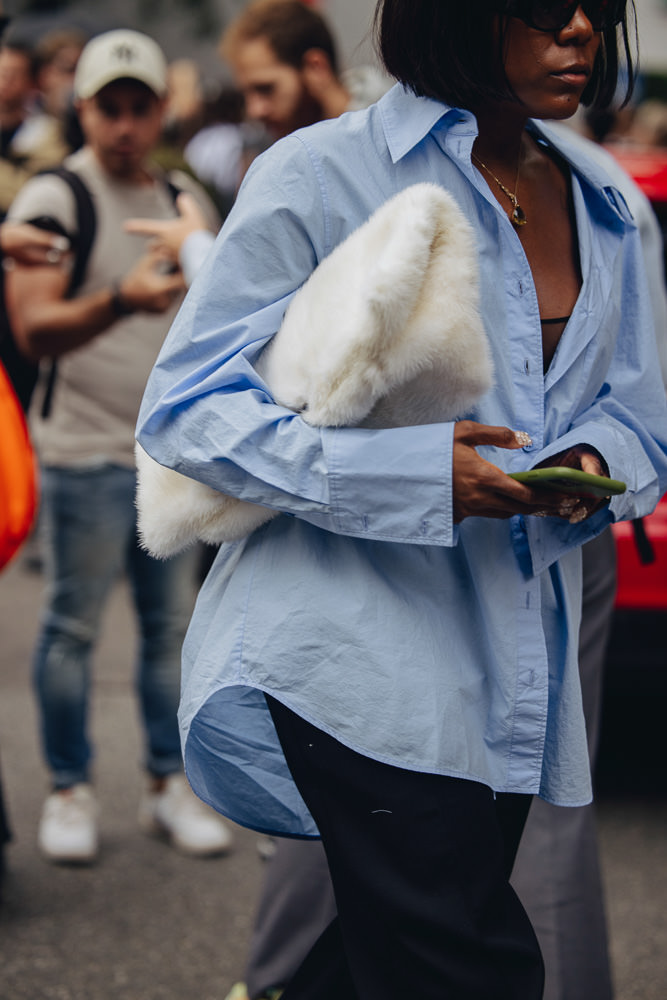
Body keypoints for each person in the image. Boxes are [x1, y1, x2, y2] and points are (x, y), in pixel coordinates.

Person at [137, 3, 667, 999]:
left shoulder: (607, 200)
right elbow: (183, 411)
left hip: (508, 659)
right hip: (347, 653)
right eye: (545, 8)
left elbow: (642, 415)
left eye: (595, 5)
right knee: (469, 963)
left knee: (379, 961)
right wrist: (417, 478)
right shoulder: (318, 171)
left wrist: (590, 462)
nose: (583, 30)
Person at [5, 28, 231, 865]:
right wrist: (121, 301)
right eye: (111, 107)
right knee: (71, 626)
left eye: (141, 107)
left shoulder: (182, 199)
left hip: (164, 457)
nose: (127, 124)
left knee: (170, 630)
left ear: (161, 110)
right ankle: (69, 789)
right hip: (81, 450)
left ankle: (166, 783)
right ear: (83, 109)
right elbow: (32, 329)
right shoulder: (54, 196)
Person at [219, 0, 389, 143]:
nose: (254, 110)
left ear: (316, 67)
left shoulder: (388, 131)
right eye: (245, 95)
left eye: (265, 88)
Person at [0, 36, 69, 217]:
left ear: (32, 82)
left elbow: (32, 191)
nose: (5, 82)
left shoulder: (49, 134)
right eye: (1, 73)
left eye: (13, 74)